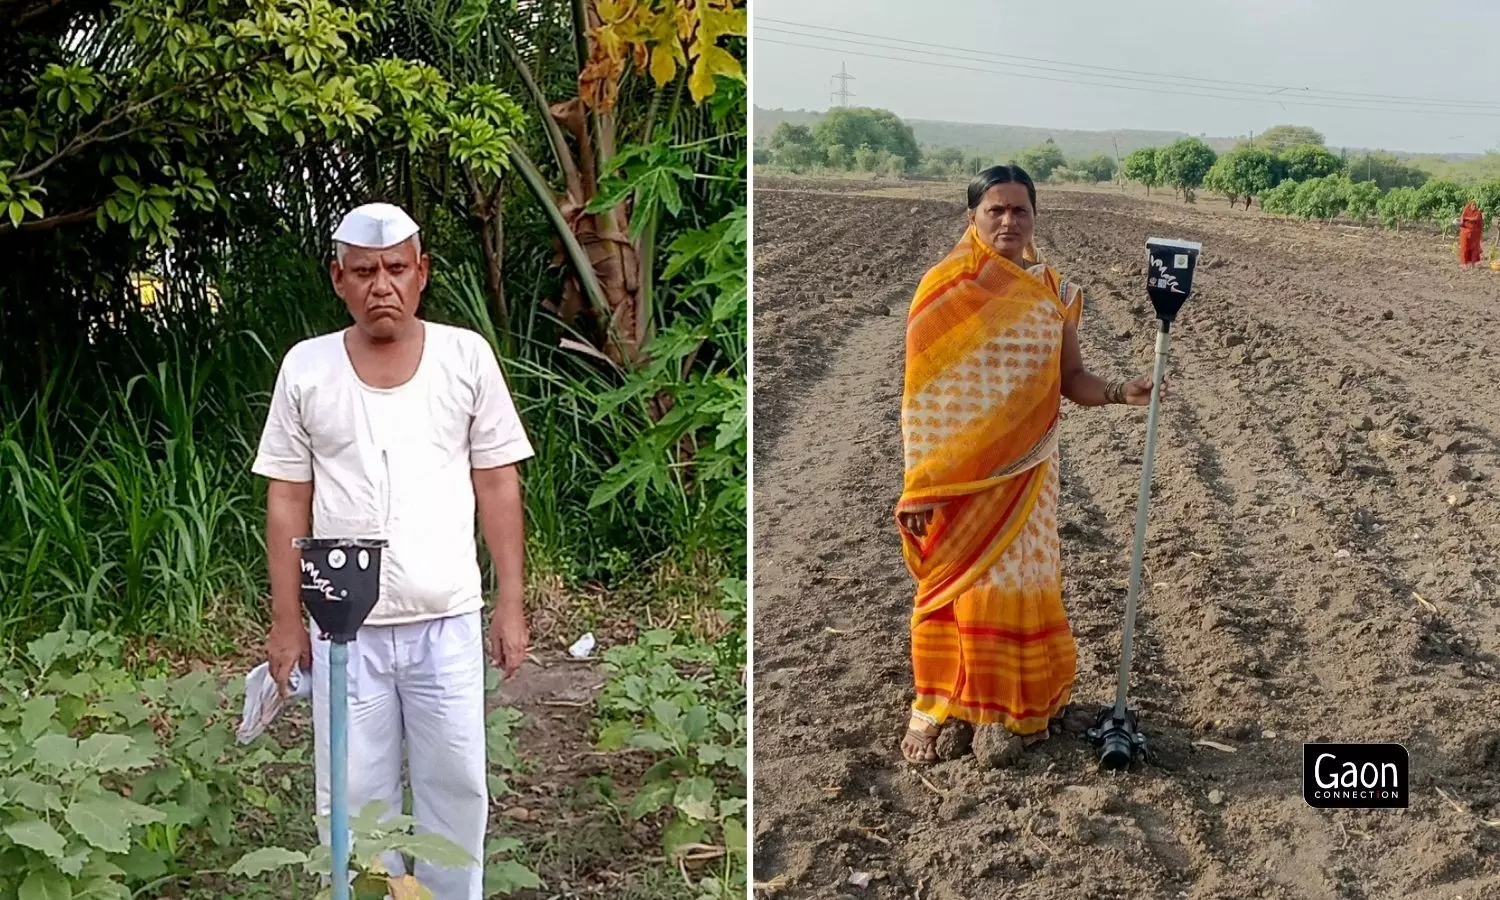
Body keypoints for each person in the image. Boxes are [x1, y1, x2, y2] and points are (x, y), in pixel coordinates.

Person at [253, 202, 534, 897]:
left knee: (457, 786)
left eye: (397, 269)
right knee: (351, 793)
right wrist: (288, 620)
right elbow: (288, 496)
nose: (382, 285)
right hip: (343, 629)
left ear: (422, 273)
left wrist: (510, 603)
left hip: (446, 620)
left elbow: (497, 481)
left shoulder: (465, 356)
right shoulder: (307, 368)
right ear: (339, 279)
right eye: (365, 271)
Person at [895, 165, 1167, 765]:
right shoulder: (943, 292)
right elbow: (923, 400)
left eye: (1020, 210)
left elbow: (1070, 379)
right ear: (973, 218)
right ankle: (944, 705)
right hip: (957, 479)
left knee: (1017, 582)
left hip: (1028, 474)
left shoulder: (1052, 291)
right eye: (996, 210)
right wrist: (919, 485)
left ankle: (1017, 710)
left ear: (1035, 217)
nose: (1009, 221)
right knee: (958, 587)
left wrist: (1124, 391)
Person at [1459, 200, 1484, 267]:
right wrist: (1461, 220)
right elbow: (1461, 222)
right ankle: (1463, 263)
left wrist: (1466, 218)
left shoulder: (1477, 212)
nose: (1474, 206)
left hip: (1474, 234)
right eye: (1472, 205)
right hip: (1465, 233)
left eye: (1475, 205)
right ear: (1469, 206)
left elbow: (1476, 219)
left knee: (1474, 248)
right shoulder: (1465, 212)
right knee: (1464, 247)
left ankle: (1474, 262)